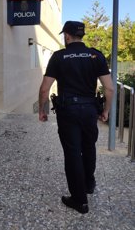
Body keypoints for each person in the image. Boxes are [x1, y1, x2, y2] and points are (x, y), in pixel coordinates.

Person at [39, 21, 114, 214]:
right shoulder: (95, 55)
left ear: (67, 36)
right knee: (89, 147)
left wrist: (42, 109)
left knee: (73, 153)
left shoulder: (59, 57)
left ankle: (79, 200)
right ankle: (89, 185)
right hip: (90, 110)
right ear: (81, 35)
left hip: (68, 111)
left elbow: (45, 88)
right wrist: (106, 110)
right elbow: (110, 88)